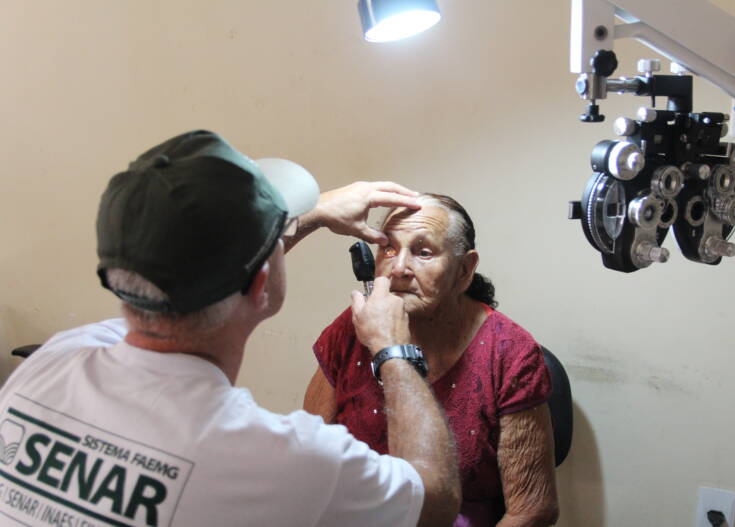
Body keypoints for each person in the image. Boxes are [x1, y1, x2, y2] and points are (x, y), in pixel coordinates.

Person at [0, 130, 461, 527]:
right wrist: (394, 351)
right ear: (262, 281)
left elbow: (209, 278)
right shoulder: (284, 461)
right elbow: (434, 500)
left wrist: (314, 212)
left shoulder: (50, 365)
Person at [304, 193, 560, 527]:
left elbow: (532, 510)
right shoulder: (355, 327)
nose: (398, 268)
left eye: (423, 252)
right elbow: (311, 456)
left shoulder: (510, 353)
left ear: (464, 270)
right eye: (388, 249)